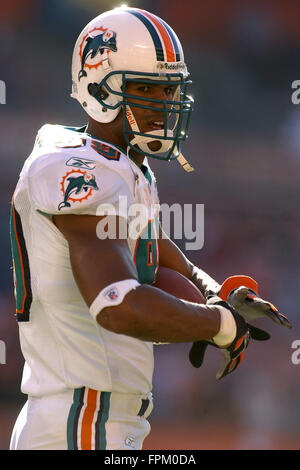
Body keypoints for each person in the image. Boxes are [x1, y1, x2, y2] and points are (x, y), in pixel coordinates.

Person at [9, 6, 290, 451]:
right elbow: (116, 303)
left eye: (169, 90)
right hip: (83, 419)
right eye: (146, 89)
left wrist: (213, 291)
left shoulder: (120, 165)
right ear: (99, 89)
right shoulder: (75, 167)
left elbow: (150, 246)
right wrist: (218, 324)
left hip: (96, 417)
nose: (163, 104)